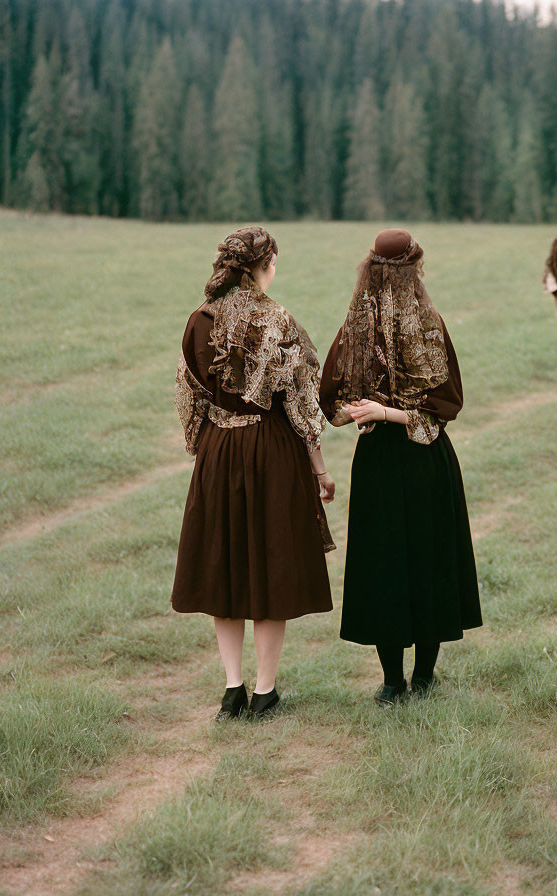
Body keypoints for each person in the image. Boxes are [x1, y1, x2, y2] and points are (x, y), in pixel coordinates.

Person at [172, 226, 336, 720]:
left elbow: (188, 398)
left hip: (219, 452)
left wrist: (207, 448)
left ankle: (232, 688)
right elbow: (303, 403)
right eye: (273, 264)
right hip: (272, 454)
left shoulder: (198, 320)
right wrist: (321, 471)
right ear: (258, 266)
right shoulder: (276, 319)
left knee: (224, 567)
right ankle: (265, 692)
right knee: (271, 568)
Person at [319, 229, 481, 705]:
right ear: (415, 269)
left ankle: (393, 684)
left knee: (383, 562)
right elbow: (449, 401)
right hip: (426, 458)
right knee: (429, 560)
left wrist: (362, 412)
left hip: (379, 461)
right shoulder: (429, 321)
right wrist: (390, 411)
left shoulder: (355, 326)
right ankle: (424, 678)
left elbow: (328, 399)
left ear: (369, 268)